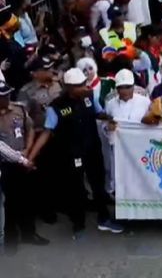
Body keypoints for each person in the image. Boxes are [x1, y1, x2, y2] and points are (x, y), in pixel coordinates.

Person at [26, 68, 123, 237]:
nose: (84, 87)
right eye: (79, 86)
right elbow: (47, 132)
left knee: (98, 184)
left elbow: (98, 113)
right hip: (71, 153)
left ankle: (104, 219)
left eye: (84, 84)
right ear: (69, 87)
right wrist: (30, 157)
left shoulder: (89, 97)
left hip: (92, 148)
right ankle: (78, 225)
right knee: (76, 189)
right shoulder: (56, 107)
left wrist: (110, 119)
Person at [0, 82, 47, 251]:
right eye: (2, 96)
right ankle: (10, 238)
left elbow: (31, 128)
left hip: (24, 157)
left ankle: (29, 233)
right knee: (9, 204)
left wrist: (28, 150)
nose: (5, 98)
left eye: (7, 95)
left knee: (28, 199)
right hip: (4, 166)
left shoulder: (19, 109)